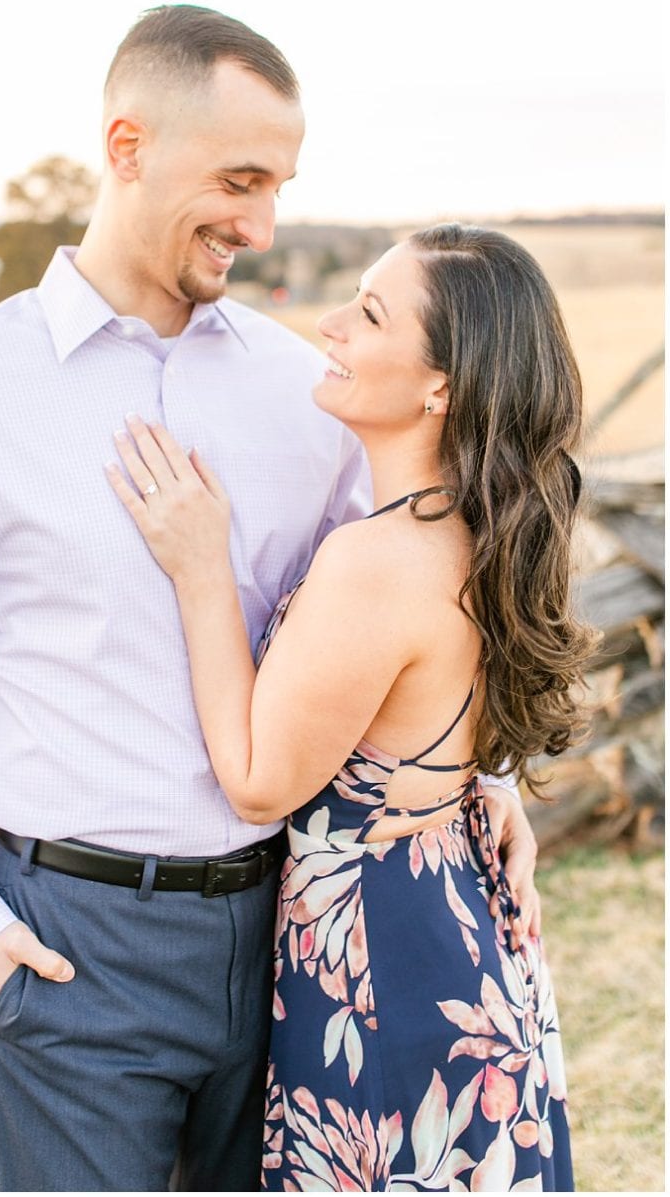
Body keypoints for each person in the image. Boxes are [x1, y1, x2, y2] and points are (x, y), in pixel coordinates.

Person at [0, 5, 541, 1191]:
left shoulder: (308, 393)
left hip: (292, 934)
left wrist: (479, 773)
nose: (259, 226)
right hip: (69, 945)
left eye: (279, 189)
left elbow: (410, 605)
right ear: (129, 143)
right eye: (240, 180)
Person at [107, 224, 583, 1190]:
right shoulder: (484, 531)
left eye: (368, 313)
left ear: (438, 385)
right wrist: (489, 785)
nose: (327, 324)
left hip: (382, 961)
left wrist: (202, 568)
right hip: (459, 921)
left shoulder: (376, 560)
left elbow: (253, 783)